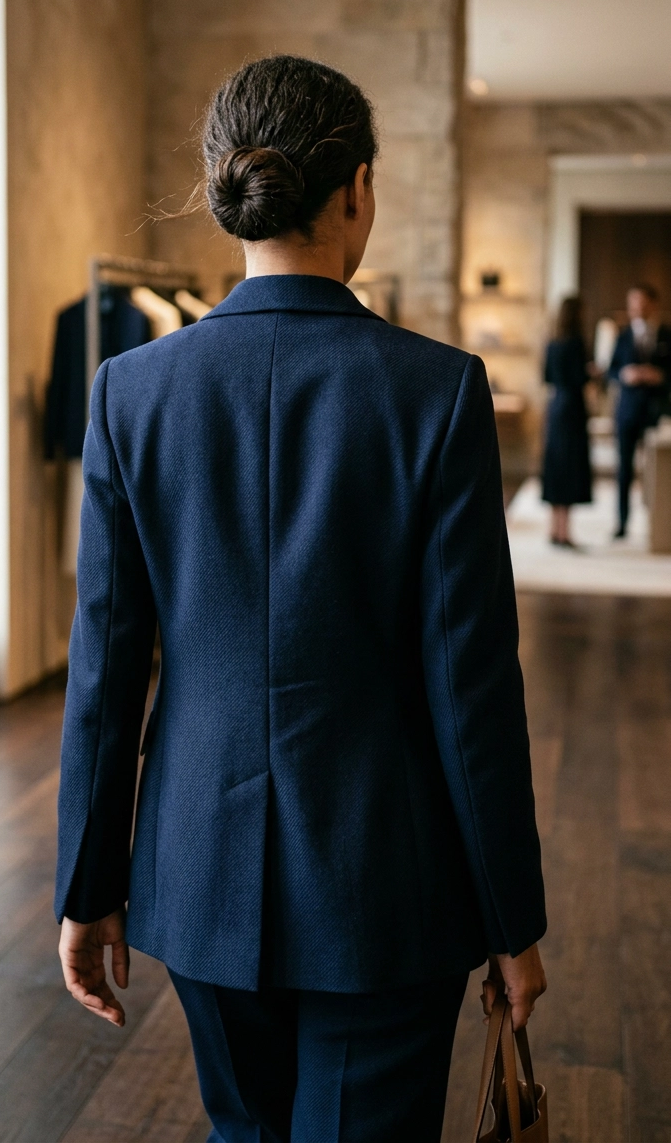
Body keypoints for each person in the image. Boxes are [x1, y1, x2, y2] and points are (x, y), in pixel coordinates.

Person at [55, 55, 547, 1143]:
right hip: (387, 880)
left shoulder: (130, 391)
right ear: (357, 190)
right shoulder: (438, 389)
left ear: (232, 188)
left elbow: (106, 669)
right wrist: (514, 915)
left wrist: (85, 886)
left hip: (197, 867)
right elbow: (473, 685)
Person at [608, 283, 671, 538]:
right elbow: (611, 370)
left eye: (643, 302)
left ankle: (660, 523)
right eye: (634, 302)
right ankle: (622, 523)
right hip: (628, 412)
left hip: (657, 412)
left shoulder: (666, 335)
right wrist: (626, 374)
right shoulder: (622, 335)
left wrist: (660, 376)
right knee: (624, 469)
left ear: (653, 305)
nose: (638, 307)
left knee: (661, 471)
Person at [541, 296, 593, 548]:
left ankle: (554, 528)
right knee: (570, 468)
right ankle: (564, 532)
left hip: (555, 406)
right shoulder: (576, 342)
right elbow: (580, 378)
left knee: (556, 466)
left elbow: (547, 376)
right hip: (572, 407)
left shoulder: (552, 342)